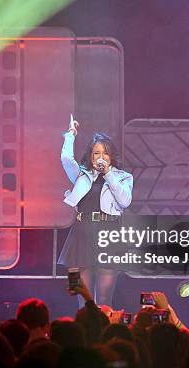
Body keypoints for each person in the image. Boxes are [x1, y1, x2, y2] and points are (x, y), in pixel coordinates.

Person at [58, 117, 134, 307]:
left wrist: (108, 173)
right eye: (96, 153)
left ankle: (104, 332)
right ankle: (83, 331)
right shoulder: (81, 175)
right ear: (90, 156)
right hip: (82, 232)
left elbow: (125, 201)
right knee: (81, 295)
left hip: (109, 234)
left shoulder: (123, 177)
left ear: (111, 156)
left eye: (105, 153)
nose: (100, 157)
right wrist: (70, 136)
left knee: (105, 297)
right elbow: (66, 159)